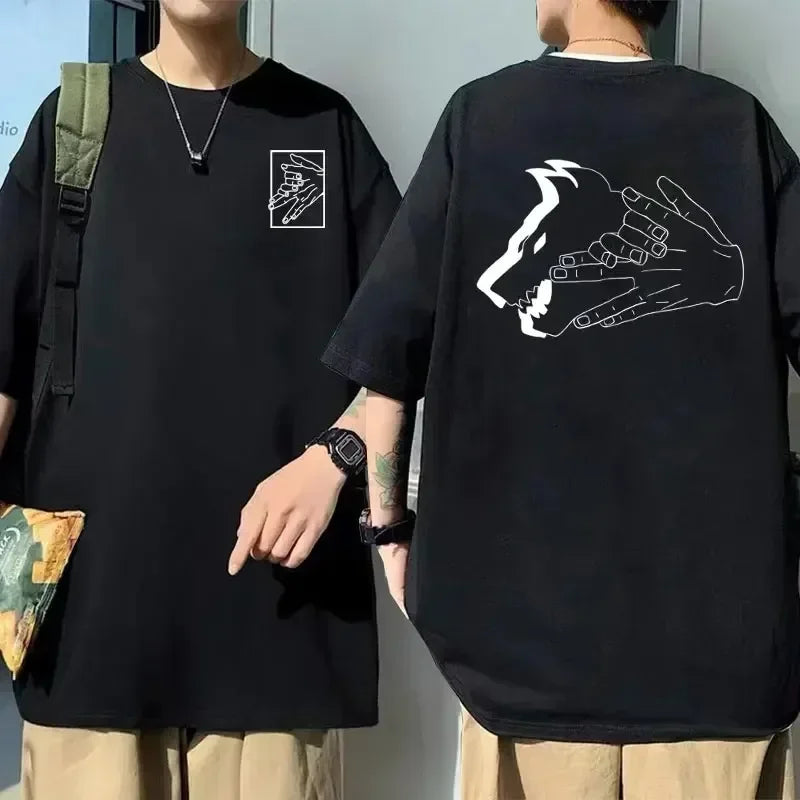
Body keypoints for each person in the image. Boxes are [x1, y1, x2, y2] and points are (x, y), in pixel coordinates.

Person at [322, 0, 800, 798]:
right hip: (720, 667)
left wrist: (390, 531)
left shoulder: (481, 120)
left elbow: (388, 364)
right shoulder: (738, 128)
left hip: (520, 665)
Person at [0, 1, 400, 797]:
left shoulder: (321, 128)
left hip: (280, 629)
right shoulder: (77, 119)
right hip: (90, 627)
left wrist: (338, 457)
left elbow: (405, 347)